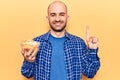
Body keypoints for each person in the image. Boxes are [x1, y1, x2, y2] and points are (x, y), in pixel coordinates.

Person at [21, 1, 100, 80]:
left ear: (67, 18)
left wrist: (92, 50)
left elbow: (90, 73)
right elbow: (27, 73)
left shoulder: (78, 43)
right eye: (53, 15)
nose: (57, 19)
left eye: (61, 14)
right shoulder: (36, 43)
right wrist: (28, 61)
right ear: (47, 18)